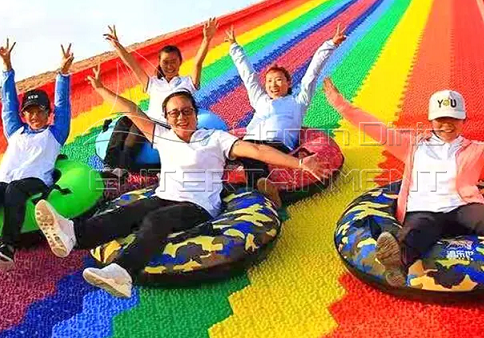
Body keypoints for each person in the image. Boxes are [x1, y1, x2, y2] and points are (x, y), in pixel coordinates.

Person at [34, 66, 327, 298]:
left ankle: (122, 273)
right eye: (174, 113)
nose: (181, 116)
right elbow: (131, 110)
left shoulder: (215, 138)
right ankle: (73, 234)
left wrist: (299, 162)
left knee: (156, 221)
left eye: (187, 111)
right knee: (128, 213)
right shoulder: (162, 136)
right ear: (167, 117)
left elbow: (257, 150)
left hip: (198, 206)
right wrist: (100, 88)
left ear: (196, 114)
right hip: (165, 195)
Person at [323, 79, 484, 286]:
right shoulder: (412, 146)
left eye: (453, 119)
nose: (447, 124)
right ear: (431, 119)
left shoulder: (477, 150)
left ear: (463, 119)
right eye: (441, 119)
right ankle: (396, 262)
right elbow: (375, 128)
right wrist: (338, 102)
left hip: (463, 210)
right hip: (424, 211)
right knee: (416, 233)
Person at [0, 39, 74, 271]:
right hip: (5, 179)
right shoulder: (16, 131)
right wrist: (7, 67)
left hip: (34, 180)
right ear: (24, 115)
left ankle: (8, 247)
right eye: (29, 112)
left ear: (47, 113)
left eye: (39, 111)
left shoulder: (55, 133)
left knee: (14, 189)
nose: (34, 116)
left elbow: (63, 104)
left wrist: (62, 74)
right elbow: (8, 103)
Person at [225, 24, 347, 206]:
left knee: (252, 155)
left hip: (276, 145)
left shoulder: (298, 102)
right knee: (228, 148)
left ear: (288, 83)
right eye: (269, 81)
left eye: (279, 80)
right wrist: (235, 48)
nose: (273, 84)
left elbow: (312, 73)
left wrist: (330, 44)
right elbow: (248, 76)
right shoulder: (260, 100)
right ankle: (260, 186)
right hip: (248, 142)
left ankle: (261, 191)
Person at [101, 19, 219, 171]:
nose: (169, 66)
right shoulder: (153, 83)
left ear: (180, 62)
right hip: (148, 120)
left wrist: (207, 39)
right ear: (160, 63)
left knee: (136, 129)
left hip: (166, 125)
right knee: (124, 120)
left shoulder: (187, 83)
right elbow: (133, 65)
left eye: (173, 62)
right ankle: (108, 165)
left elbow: (197, 63)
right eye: (165, 62)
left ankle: (122, 169)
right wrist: (117, 46)